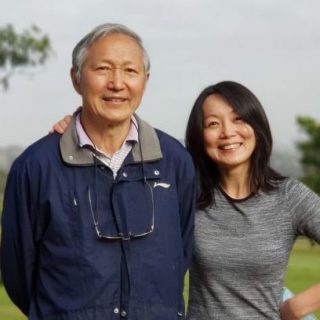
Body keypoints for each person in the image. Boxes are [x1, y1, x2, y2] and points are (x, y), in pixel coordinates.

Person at [0, 23, 196, 320]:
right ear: (76, 79)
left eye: (130, 71)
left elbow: (180, 254)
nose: (117, 83)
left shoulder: (175, 162)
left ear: (145, 80)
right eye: (103, 69)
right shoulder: (35, 166)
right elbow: (18, 273)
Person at [184, 80, 320, 319]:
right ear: (200, 135)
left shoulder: (289, 197)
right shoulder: (187, 195)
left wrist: (297, 307)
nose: (227, 132)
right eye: (213, 123)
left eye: (238, 119)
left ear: (256, 125)